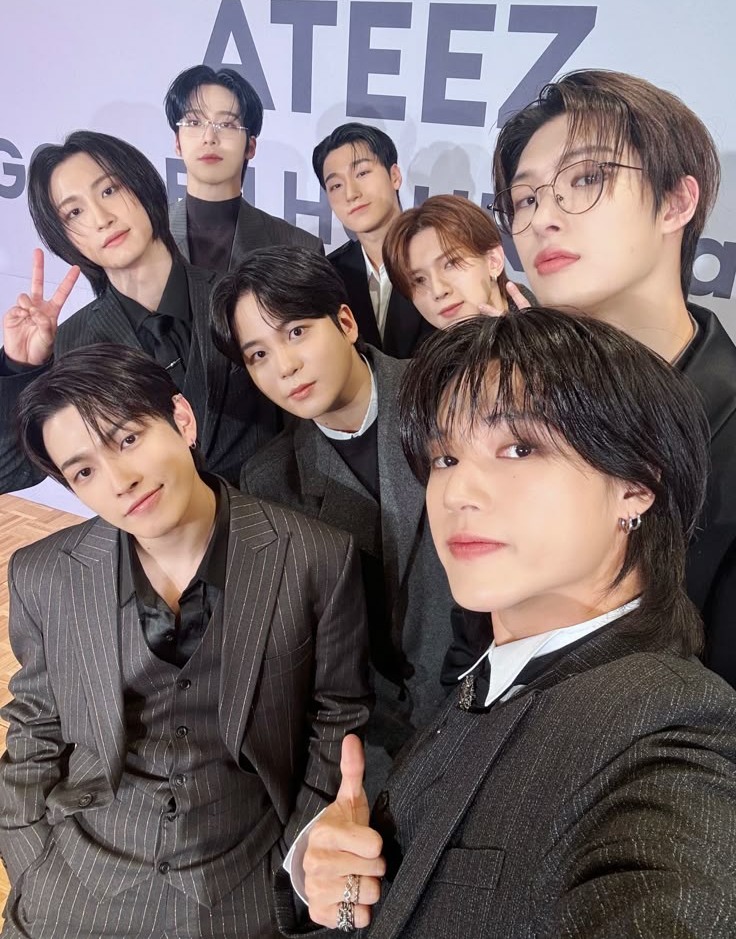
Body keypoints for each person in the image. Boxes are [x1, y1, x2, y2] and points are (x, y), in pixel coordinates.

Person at [281, 310, 736, 939]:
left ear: (636, 483)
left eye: (519, 448)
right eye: (444, 457)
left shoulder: (670, 732)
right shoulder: (497, 673)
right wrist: (327, 868)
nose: (457, 491)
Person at [0, 344, 371, 938]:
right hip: (75, 881)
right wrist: (30, 859)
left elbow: (335, 717)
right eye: (84, 472)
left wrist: (293, 869)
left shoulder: (315, 556)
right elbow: (35, 727)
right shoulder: (43, 574)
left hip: (246, 879)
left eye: (127, 439)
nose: (120, 482)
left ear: (182, 419)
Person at [488, 68, 736, 686]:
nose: (544, 217)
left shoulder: (724, 431)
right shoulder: (516, 406)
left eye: (587, 178)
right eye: (526, 198)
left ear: (676, 201)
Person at [210, 246, 454, 793]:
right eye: (258, 355)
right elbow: (325, 651)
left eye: (296, 332)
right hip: (389, 740)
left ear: (345, 322)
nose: (285, 367)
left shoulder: (448, 394)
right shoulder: (270, 480)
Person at [0, 130, 279, 494]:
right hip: (151, 527)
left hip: (272, 517)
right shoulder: (72, 346)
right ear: (63, 237)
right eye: (74, 212)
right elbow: (7, 471)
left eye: (109, 190)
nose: (101, 218)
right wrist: (19, 368)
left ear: (142, 185)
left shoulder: (242, 297)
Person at [165, 65, 323, 272]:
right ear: (177, 142)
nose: (209, 138)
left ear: (250, 146)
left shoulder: (299, 249)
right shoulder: (146, 233)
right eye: (194, 122)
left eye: (227, 125)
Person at [312, 123, 434, 357]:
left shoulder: (441, 257)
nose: (351, 193)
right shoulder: (329, 275)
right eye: (336, 185)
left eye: (362, 173)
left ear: (394, 176)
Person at [382, 194, 533, 330]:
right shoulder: (430, 352)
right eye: (419, 280)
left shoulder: (543, 336)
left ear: (493, 261)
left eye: (451, 263)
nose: (438, 291)